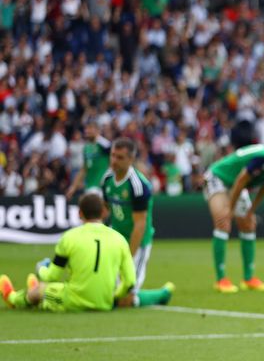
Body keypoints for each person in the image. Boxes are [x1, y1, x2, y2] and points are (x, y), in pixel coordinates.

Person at [0, 193, 137, 311]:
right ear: (103, 212)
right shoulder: (120, 239)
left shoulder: (69, 237)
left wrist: (41, 268)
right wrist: (114, 297)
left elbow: (51, 276)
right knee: (55, 288)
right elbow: (130, 281)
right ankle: (36, 293)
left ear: (79, 213)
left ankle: (13, 299)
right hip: (104, 302)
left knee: (40, 291)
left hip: (72, 302)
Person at [204, 141, 264, 293]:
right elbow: (241, 180)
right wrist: (230, 209)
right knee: (223, 222)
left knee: (249, 224)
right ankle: (221, 279)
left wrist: (251, 211)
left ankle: (248, 278)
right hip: (219, 178)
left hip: (236, 183)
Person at [102, 137, 172, 307]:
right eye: (112, 155)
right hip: (116, 240)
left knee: (125, 300)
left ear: (131, 160)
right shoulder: (107, 179)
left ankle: (162, 294)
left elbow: (140, 225)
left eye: (120, 157)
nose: (114, 161)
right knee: (104, 293)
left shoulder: (138, 186)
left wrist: (128, 257)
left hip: (137, 243)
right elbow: (105, 211)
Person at [66, 121, 111, 200]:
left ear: (98, 130)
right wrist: (73, 187)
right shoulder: (86, 147)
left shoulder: (103, 144)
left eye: (90, 128)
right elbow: (84, 169)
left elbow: (115, 160)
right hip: (90, 186)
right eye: (86, 128)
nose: (87, 131)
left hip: (102, 186)